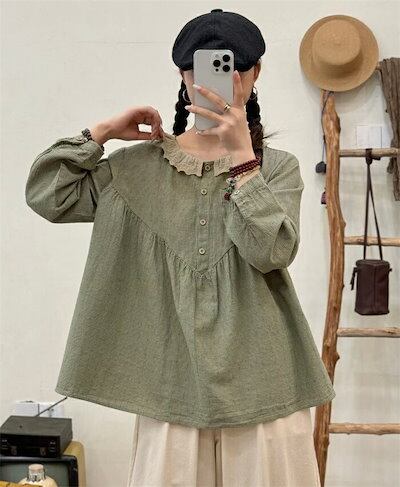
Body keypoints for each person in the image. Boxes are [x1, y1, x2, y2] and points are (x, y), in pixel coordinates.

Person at [25, 9, 335, 487]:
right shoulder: (134, 169)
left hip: (267, 386)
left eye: (234, 67)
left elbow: (271, 252)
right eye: (201, 68)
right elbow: (49, 194)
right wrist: (101, 133)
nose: (221, 80)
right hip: (168, 390)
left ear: (255, 72)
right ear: (183, 76)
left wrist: (242, 160)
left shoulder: (276, 168)